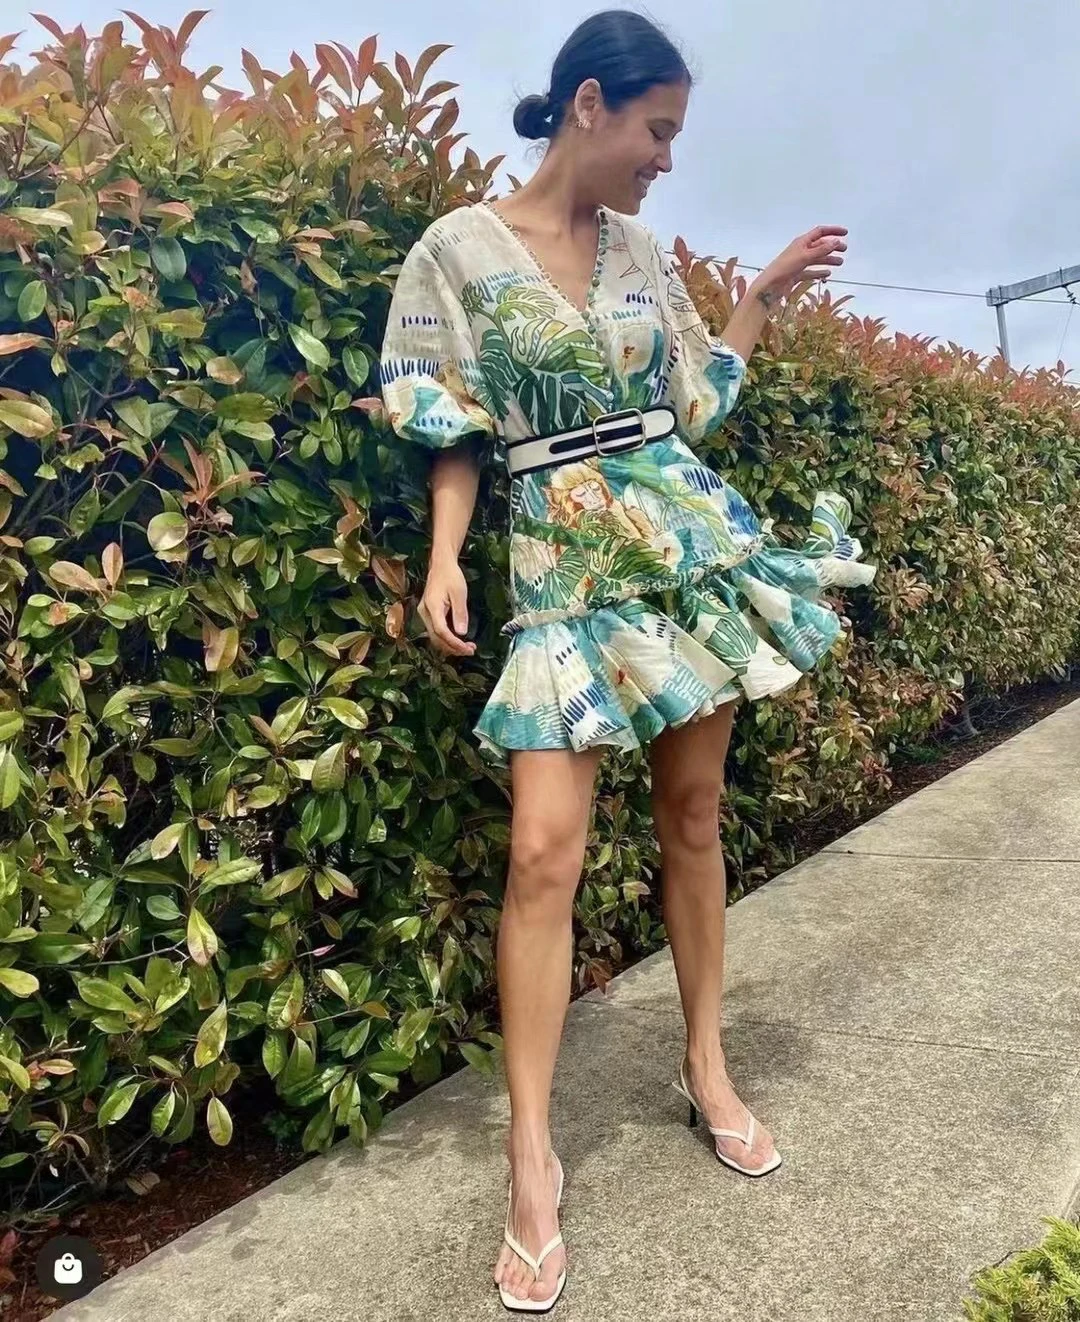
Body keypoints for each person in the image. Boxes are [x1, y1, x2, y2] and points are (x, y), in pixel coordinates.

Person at [379, 9, 875, 1312]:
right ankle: (531, 1159)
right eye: (658, 131)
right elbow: (450, 425)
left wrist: (758, 302)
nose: (667, 159)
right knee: (543, 852)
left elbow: (693, 405)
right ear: (588, 103)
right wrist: (446, 556)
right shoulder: (456, 251)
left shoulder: (645, 256)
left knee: (693, 815)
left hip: (683, 549)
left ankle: (705, 1063)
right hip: (558, 564)